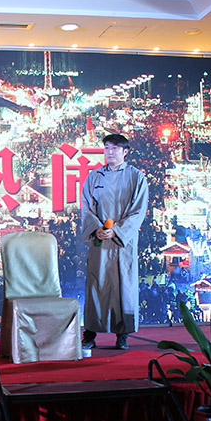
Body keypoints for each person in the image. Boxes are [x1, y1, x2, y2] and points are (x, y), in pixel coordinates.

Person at [80, 133, 149, 350]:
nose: (110, 152)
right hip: (100, 239)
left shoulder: (136, 177)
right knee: (96, 284)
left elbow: (138, 210)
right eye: (107, 148)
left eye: (115, 148)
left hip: (122, 241)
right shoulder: (94, 177)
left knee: (124, 286)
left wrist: (117, 230)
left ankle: (123, 334)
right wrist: (97, 228)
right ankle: (90, 334)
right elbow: (87, 207)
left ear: (125, 152)